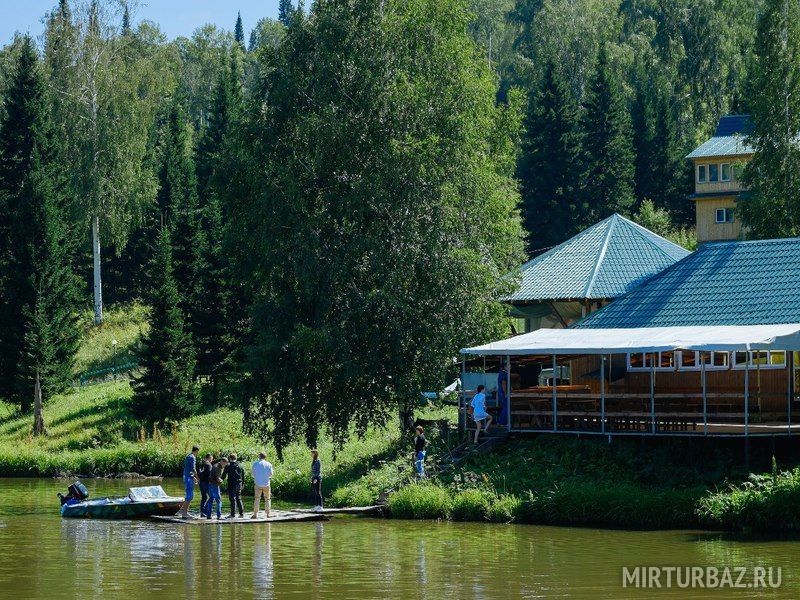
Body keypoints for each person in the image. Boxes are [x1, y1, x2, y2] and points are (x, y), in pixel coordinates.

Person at [251, 452, 274, 519]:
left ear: (259, 456)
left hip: (258, 484)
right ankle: (268, 514)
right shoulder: (269, 464)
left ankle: (255, 514)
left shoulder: (255, 464)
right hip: (266, 484)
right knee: (267, 499)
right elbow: (271, 474)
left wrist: (257, 477)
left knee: (257, 499)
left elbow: (252, 474)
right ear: (265, 457)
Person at [180, 445, 200, 518]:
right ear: (196, 451)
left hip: (187, 476)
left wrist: (193, 477)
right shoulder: (192, 457)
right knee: (189, 496)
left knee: (189, 495)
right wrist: (197, 477)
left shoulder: (188, 456)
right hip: (188, 478)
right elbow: (193, 469)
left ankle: (185, 512)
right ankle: (184, 513)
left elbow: (188, 469)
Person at [224, 453, 245, 518]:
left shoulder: (228, 465)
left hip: (231, 484)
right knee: (238, 498)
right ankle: (241, 513)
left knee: (232, 499)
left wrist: (219, 480)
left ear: (230, 458)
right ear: (236, 458)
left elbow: (224, 475)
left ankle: (232, 514)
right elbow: (243, 476)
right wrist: (243, 484)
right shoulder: (240, 465)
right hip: (239, 484)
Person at [198, 453, 213, 518]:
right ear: (209, 457)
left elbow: (198, 472)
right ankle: (206, 511)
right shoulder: (209, 465)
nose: (212, 460)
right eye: (211, 458)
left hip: (201, 483)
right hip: (207, 483)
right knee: (212, 497)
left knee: (204, 498)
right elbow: (210, 475)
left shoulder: (201, 463)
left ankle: (202, 513)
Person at [497, 359, 510, 427]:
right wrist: (505, 393)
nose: (510, 366)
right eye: (508, 365)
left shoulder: (501, 373)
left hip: (501, 393)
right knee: (506, 407)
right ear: (505, 366)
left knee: (505, 407)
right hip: (504, 393)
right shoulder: (504, 373)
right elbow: (503, 384)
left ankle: (502, 422)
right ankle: (501, 422)